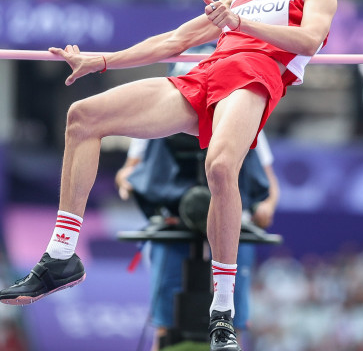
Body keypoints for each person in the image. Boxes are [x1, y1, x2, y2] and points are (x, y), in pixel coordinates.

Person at [0, 0, 336, 349]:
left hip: (253, 77)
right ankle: (61, 256)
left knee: (219, 167)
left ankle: (222, 311)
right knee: (83, 116)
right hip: (205, 75)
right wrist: (101, 60)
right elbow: (175, 41)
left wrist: (240, 25)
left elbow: (309, 40)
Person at [115, 61, 280, 350]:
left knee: (233, 322)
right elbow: (129, 170)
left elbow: (269, 184)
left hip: (232, 228)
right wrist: (127, 181)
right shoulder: (158, 114)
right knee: (165, 321)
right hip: (173, 224)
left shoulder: (246, 111)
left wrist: (267, 206)